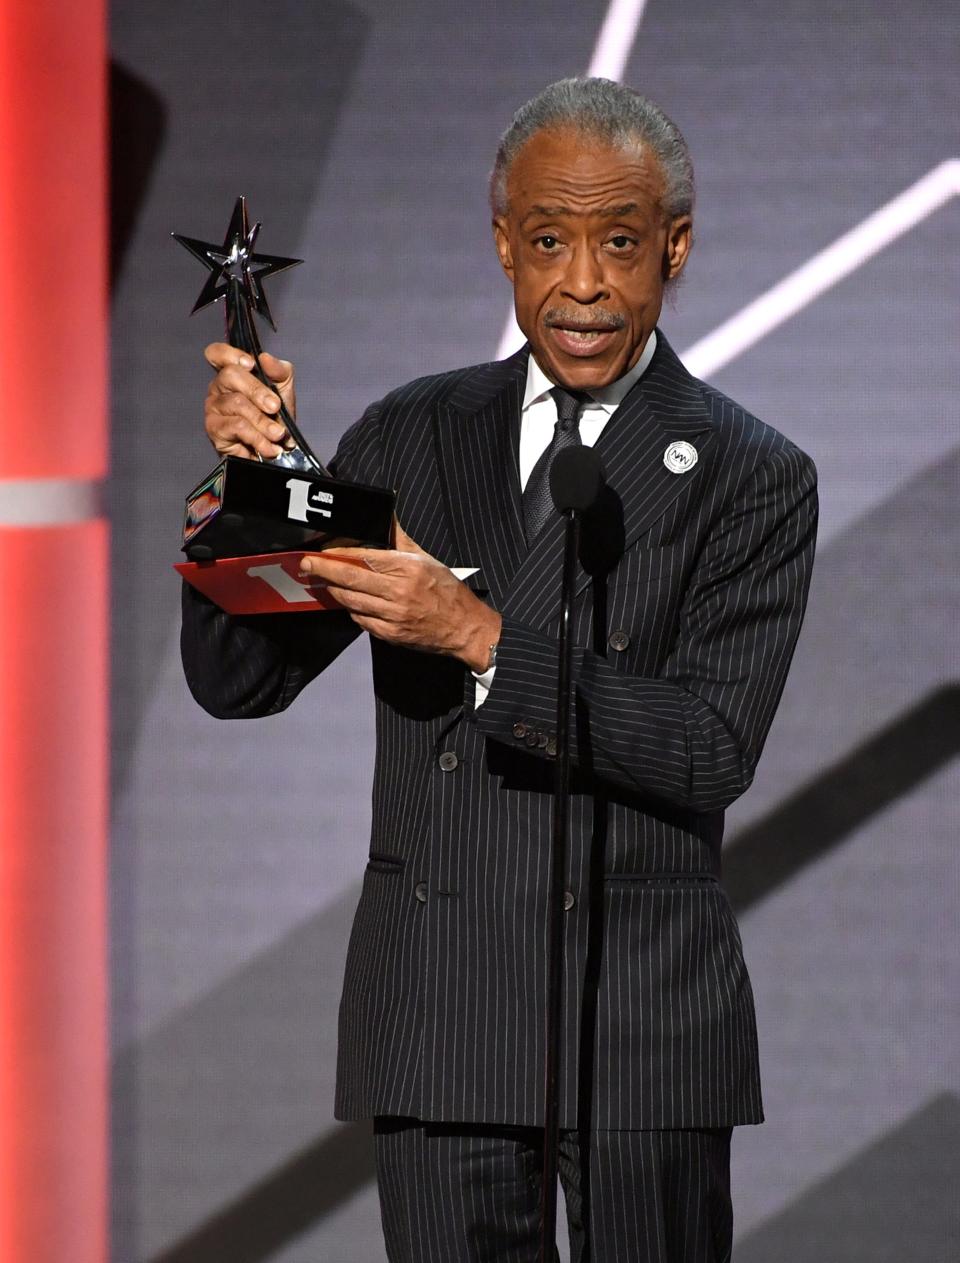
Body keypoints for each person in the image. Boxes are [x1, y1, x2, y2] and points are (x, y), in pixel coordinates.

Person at [181, 78, 817, 1262]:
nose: (582, 284)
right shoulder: (411, 435)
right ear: (503, 246)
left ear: (674, 248)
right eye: (547, 241)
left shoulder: (751, 473)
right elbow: (242, 677)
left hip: (638, 1032)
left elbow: (708, 749)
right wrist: (251, 484)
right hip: (441, 1014)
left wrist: (477, 636)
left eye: (620, 243)